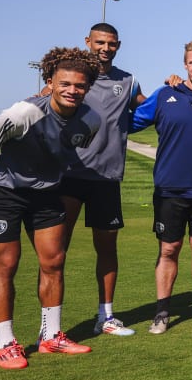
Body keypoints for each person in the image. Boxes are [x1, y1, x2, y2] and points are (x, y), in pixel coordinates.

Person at [0, 47, 102, 369]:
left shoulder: (91, 120)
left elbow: (68, 148)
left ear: (88, 87)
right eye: (65, 84)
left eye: (80, 85)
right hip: (5, 191)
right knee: (7, 263)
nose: (73, 90)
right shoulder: (23, 113)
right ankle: (7, 344)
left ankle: (51, 337)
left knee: (54, 262)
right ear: (50, 83)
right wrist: (1, 170)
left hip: (46, 193)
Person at [132, 39, 192, 334]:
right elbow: (126, 122)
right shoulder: (165, 95)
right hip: (169, 189)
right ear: (185, 65)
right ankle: (162, 312)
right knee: (168, 249)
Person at [54, 23, 144, 337]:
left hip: (107, 178)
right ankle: (52, 326)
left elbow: (147, 108)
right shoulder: (75, 78)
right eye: (100, 42)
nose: (105, 48)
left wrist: (172, 87)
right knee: (56, 251)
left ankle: (105, 317)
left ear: (118, 45)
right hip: (69, 176)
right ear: (88, 42)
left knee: (107, 249)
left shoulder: (128, 81)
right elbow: (43, 103)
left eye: (111, 44)